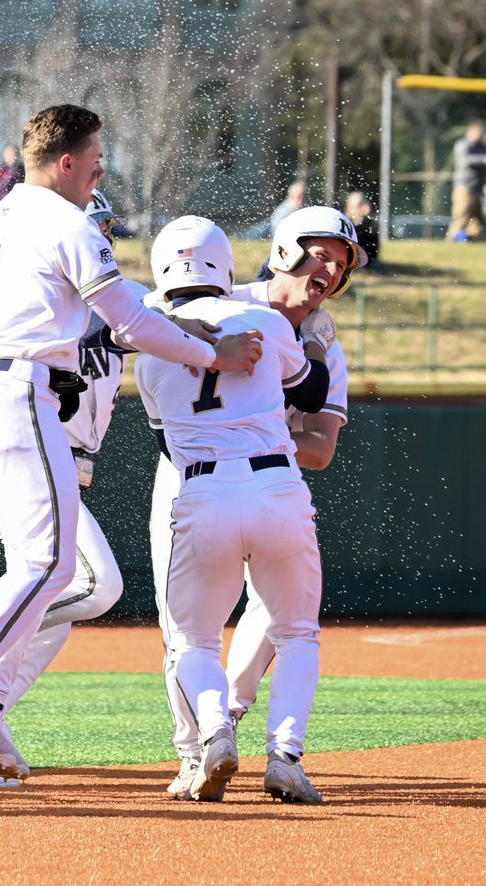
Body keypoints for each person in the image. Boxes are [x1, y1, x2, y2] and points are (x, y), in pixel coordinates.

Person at [0, 104, 263, 789]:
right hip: (20, 393)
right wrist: (212, 354)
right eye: (94, 160)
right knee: (51, 565)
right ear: (66, 162)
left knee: (49, 571)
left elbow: (124, 314)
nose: (100, 172)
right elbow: (128, 318)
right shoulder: (65, 221)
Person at [148, 206, 364, 804]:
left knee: (223, 629)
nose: (330, 269)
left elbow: (319, 448)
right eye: (321, 252)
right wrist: (258, 430)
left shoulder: (165, 323)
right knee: (225, 630)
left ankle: (223, 727)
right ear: (286, 249)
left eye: (341, 263)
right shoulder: (252, 308)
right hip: (244, 481)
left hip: (209, 477)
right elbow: (308, 393)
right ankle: (204, 753)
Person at [0, 189, 134, 789]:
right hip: (31, 444)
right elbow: (140, 314)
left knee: (53, 599)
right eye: (98, 231)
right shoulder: (65, 303)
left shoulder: (73, 298)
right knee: (92, 584)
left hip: (38, 447)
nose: (105, 243)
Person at [446, 121, 486, 241]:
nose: (480, 134)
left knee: (477, 221)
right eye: (478, 132)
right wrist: (481, 159)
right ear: (470, 131)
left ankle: (470, 243)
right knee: (461, 216)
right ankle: (450, 241)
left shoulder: (482, 147)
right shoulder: (463, 144)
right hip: (464, 187)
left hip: (478, 188)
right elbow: (463, 160)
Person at [344, 191, 379, 268]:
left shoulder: (370, 226)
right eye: (350, 206)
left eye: (354, 207)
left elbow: (372, 252)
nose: (350, 210)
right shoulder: (344, 225)